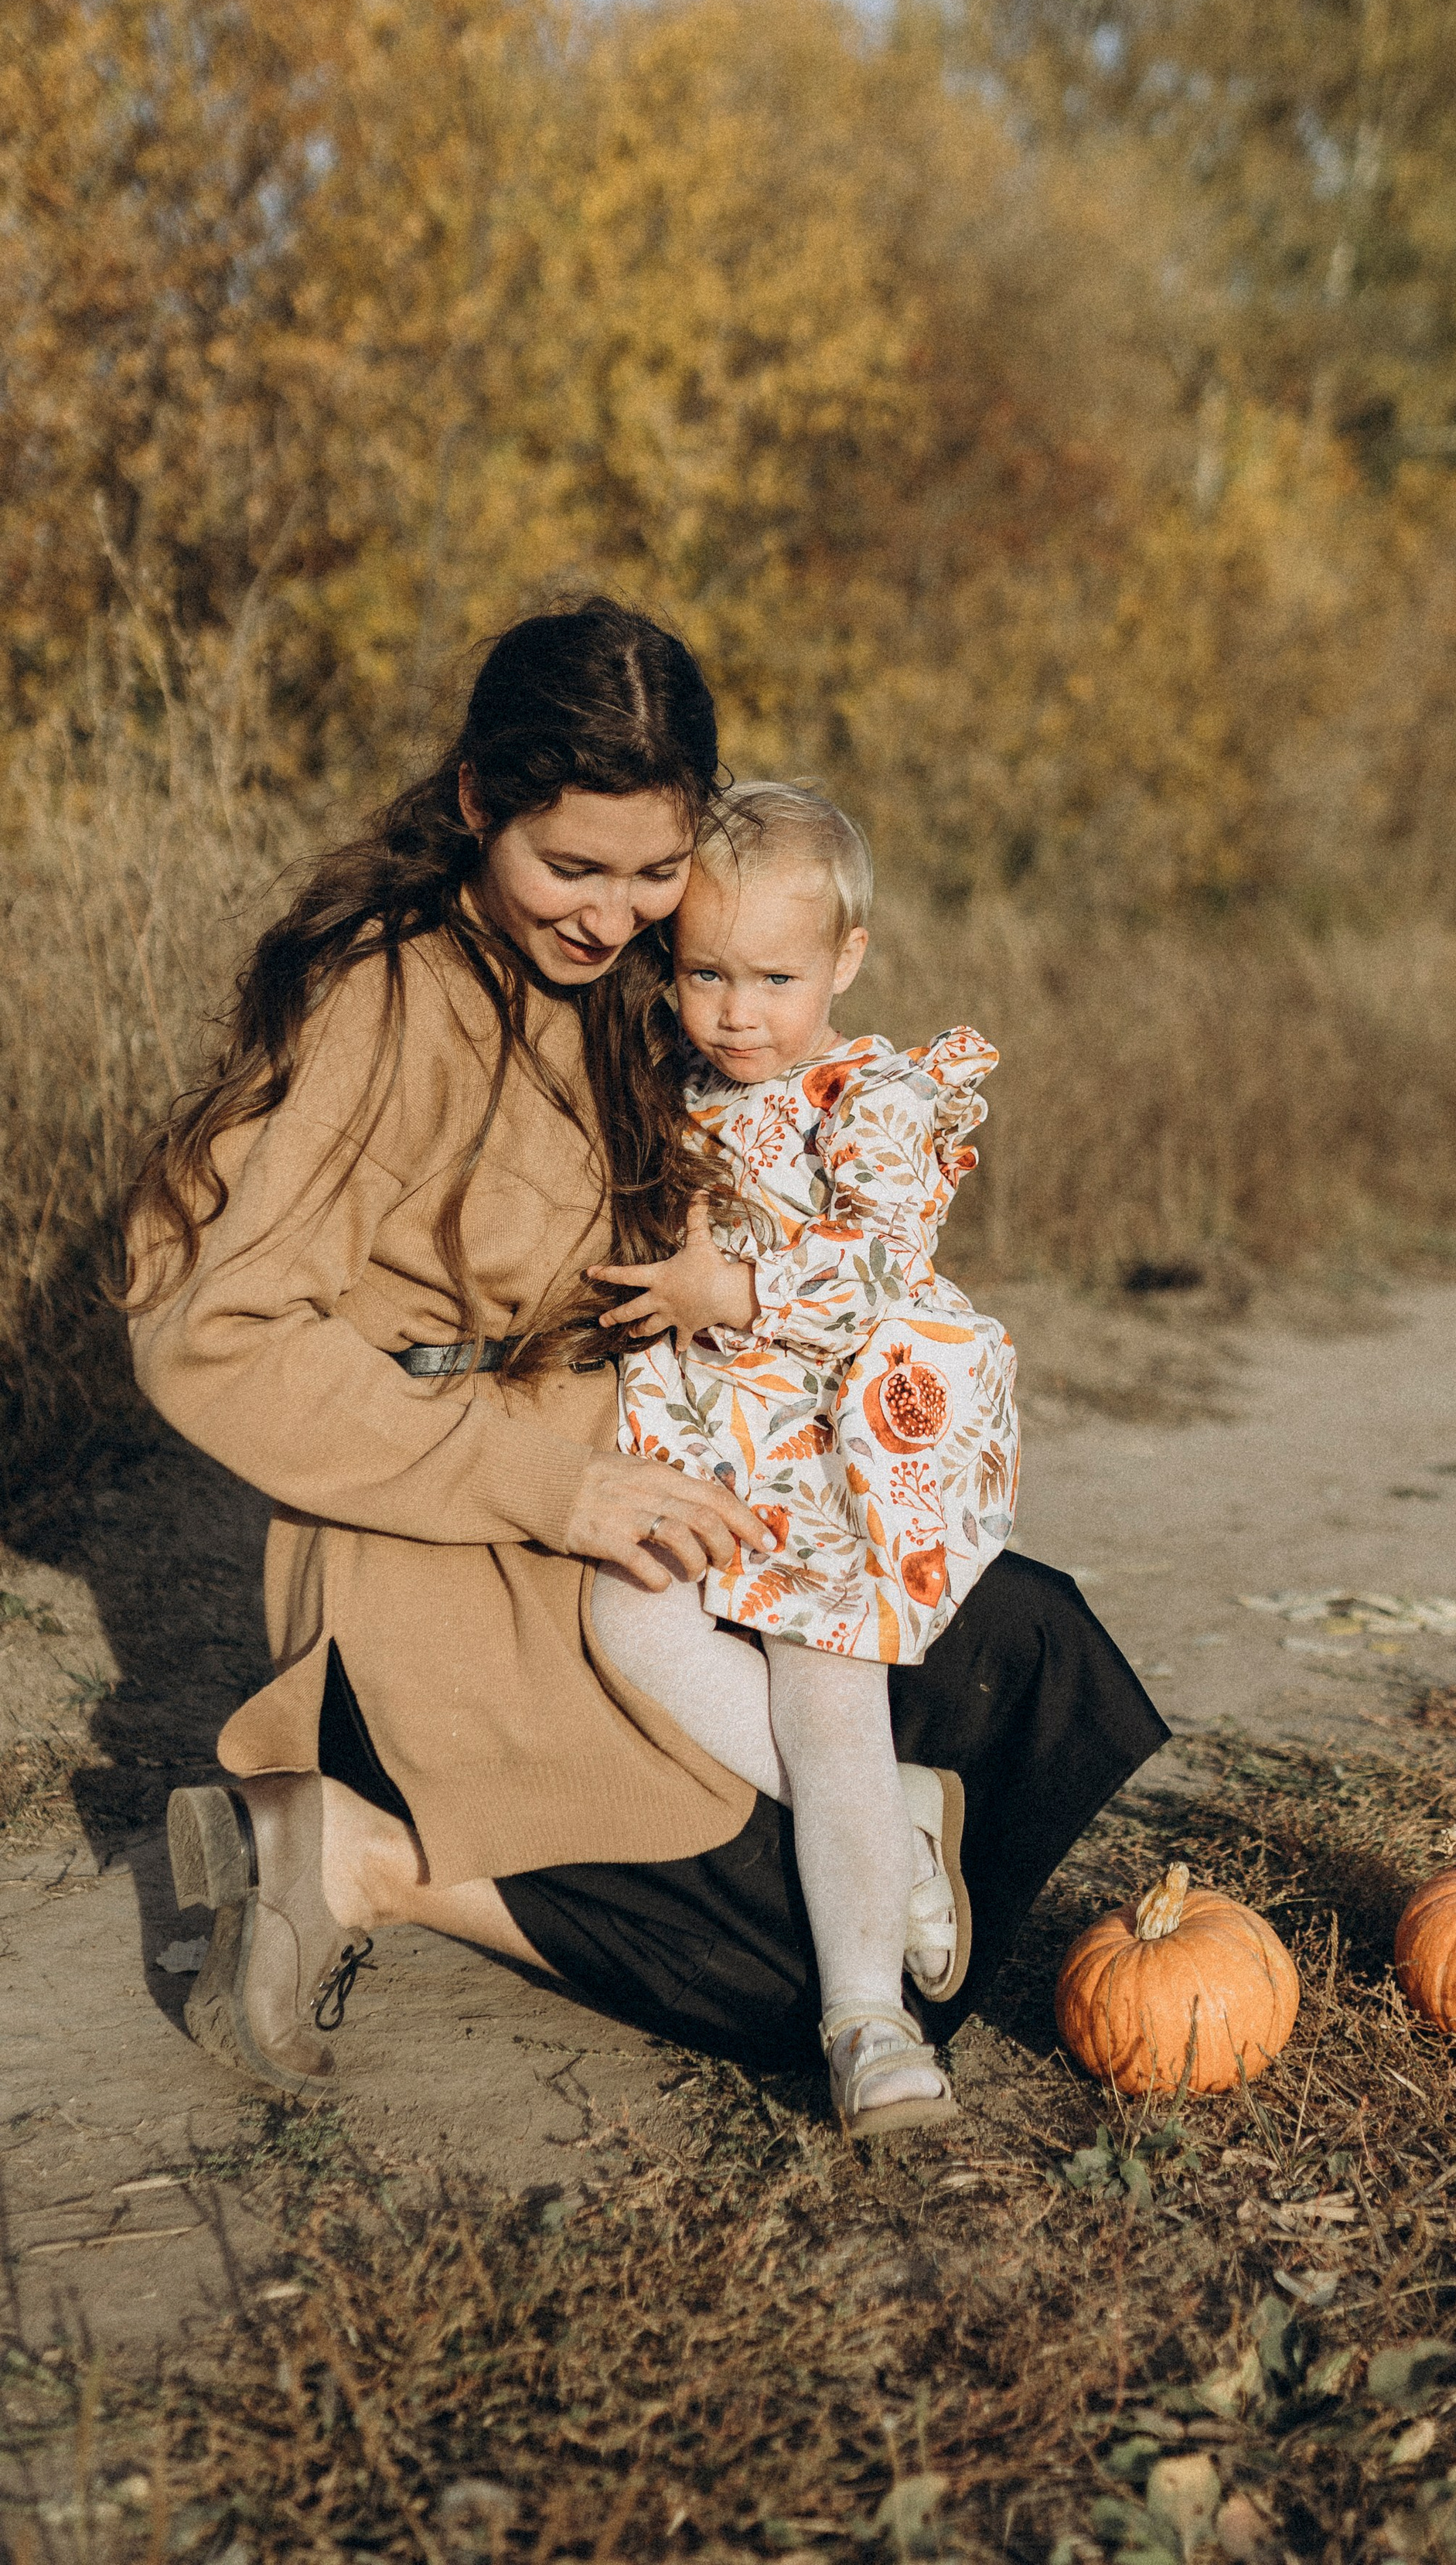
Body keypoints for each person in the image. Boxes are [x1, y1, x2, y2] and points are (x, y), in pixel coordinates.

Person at [123, 600, 1164, 2109]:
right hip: (437, 1522)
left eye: (650, 873)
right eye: (570, 868)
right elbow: (204, 1331)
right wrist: (553, 1491)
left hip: (640, 1461)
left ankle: (880, 1803)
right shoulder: (386, 999)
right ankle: (356, 1856)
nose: (613, 919)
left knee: (1023, 1645)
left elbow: (782, 1052)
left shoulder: (650, 974)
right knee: (805, 1958)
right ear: (479, 803)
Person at [584, 783, 1019, 2137]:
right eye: (706, 972)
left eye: (776, 976)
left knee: (824, 1702)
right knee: (625, 1617)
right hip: (704, 1445)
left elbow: (883, 1261)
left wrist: (736, 1295)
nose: (738, 1009)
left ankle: (867, 2021)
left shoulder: (869, 1097)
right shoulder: (675, 1088)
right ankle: (895, 1815)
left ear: (846, 961)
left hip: (832, 1454)